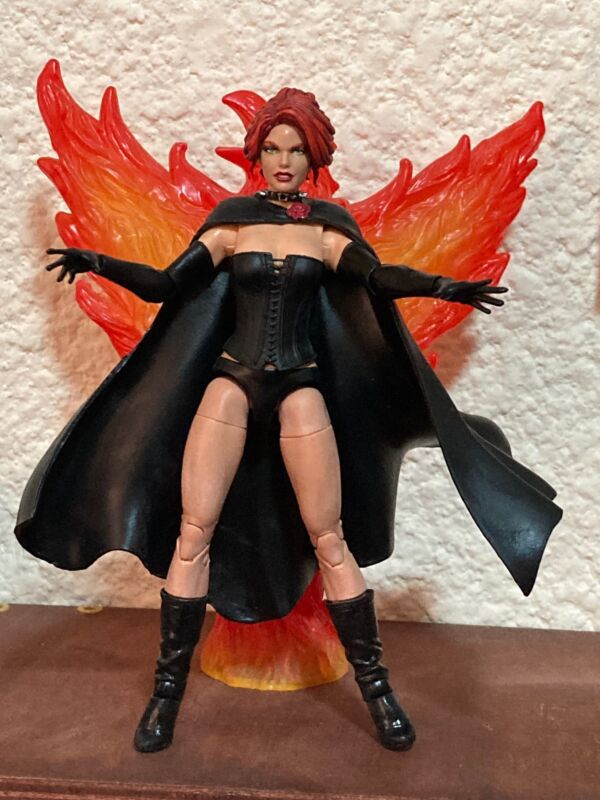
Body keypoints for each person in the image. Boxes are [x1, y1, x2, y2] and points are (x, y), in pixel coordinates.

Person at [17, 88, 561, 755]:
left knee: (329, 537)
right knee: (194, 533)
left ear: (313, 156)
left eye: (296, 149)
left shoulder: (328, 227)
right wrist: (98, 263)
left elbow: (377, 280)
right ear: (258, 153)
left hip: (300, 384)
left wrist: (443, 287)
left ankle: (378, 691)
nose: (283, 160)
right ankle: (165, 694)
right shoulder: (232, 221)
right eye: (273, 147)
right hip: (231, 382)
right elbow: (167, 285)